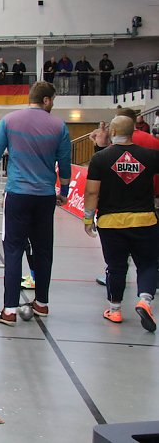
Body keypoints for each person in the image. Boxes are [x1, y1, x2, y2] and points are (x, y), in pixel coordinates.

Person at [0, 81, 71, 326]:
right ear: (46, 100)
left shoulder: (9, 121)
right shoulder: (59, 126)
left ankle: (9, 310)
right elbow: (65, 164)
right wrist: (64, 191)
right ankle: (42, 303)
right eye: (53, 101)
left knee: (13, 250)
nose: (53, 105)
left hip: (18, 196)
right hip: (45, 197)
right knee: (43, 250)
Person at [84, 116, 158, 331]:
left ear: (113, 132)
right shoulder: (150, 156)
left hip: (111, 222)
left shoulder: (100, 158)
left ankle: (115, 310)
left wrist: (88, 218)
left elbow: (92, 191)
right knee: (148, 264)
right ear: (133, 131)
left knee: (116, 267)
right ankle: (145, 300)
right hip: (144, 219)